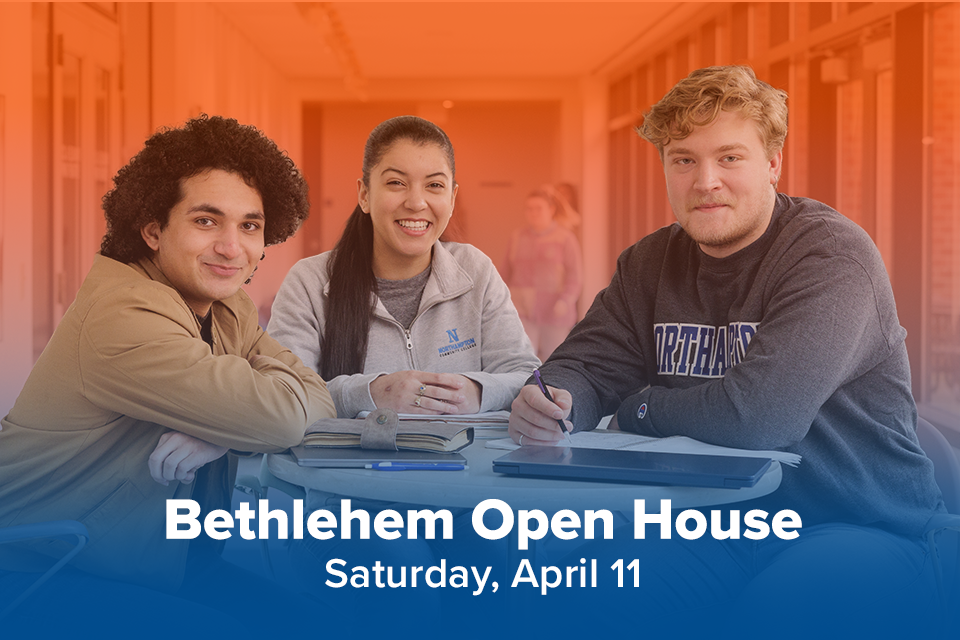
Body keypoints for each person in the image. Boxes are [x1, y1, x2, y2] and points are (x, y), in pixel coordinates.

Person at [509, 66, 946, 634]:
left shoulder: (830, 256)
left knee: (776, 618)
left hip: (853, 522)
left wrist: (640, 409)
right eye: (683, 160)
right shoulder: (648, 263)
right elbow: (585, 364)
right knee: (580, 596)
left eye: (730, 158)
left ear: (773, 163)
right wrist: (556, 399)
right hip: (711, 523)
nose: (705, 181)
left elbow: (759, 416)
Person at [0, 115, 336, 633]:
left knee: (320, 625)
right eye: (206, 221)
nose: (232, 247)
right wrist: (242, 418)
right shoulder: (122, 316)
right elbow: (285, 417)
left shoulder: (226, 309)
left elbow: (317, 397)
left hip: (160, 561)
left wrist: (220, 432)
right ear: (153, 230)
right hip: (44, 569)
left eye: (249, 226)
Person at [268, 115, 539, 418]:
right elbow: (283, 395)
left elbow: (526, 375)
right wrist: (373, 393)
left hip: (461, 451)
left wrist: (477, 391)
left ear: (452, 199)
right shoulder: (308, 283)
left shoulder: (476, 271)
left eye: (434, 185)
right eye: (396, 183)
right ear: (364, 195)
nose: (416, 202)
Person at [501, 184, 583, 361]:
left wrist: (565, 300)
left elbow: (574, 277)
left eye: (538, 208)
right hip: (522, 311)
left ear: (551, 210)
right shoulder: (517, 237)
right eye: (529, 209)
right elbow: (504, 274)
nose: (533, 213)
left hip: (555, 312)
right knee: (523, 360)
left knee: (553, 361)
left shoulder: (565, 238)